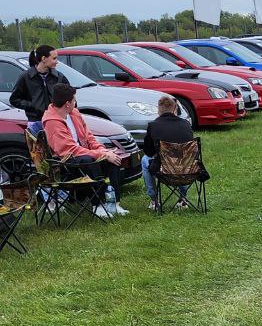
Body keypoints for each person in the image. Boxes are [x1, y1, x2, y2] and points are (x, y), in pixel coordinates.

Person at [41, 83, 126, 219]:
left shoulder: (74, 113)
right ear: (67, 103)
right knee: (89, 160)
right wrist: (102, 154)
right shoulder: (52, 122)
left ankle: (114, 203)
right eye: (74, 100)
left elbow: (88, 136)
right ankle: (97, 205)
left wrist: (103, 151)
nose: (76, 102)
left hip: (82, 155)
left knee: (113, 159)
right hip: (65, 163)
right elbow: (69, 150)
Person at [141, 94, 195, 211]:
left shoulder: (153, 125)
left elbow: (149, 152)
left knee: (144, 159)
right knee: (182, 160)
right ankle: (183, 199)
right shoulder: (186, 124)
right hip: (187, 170)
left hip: (164, 171)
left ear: (159, 109)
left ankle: (154, 200)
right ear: (174, 108)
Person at [8, 45, 67, 130]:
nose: (57, 61)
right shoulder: (25, 77)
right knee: (39, 144)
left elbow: (71, 98)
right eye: (54, 58)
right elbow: (14, 100)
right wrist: (33, 106)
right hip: (35, 122)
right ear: (43, 59)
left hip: (56, 122)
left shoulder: (59, 77)